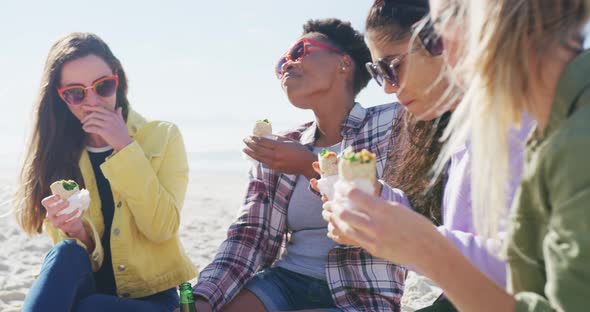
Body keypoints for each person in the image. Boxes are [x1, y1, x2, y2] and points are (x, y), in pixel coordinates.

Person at [326, 0, 590, 311]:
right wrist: (388, 219)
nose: (442, 53)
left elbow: (514, 273)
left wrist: (423, 247)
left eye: (437, 35)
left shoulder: (567, 137)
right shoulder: (529, 123)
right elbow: (526, 270)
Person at [192, 18, 408, 312]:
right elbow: (249, 235)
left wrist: (310, 165)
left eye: (298, 52)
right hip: (283, 281)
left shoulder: (391, 124)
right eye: (281, 63)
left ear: (344, 63)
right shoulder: (281, 145)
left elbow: (393, 212)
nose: (286, 66)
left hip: (361, 291)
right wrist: (204, 298)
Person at [16, 32, 196, 312]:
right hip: (85, 291)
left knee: (91, 307)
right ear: (62, 98)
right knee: (66, 253)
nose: (92, 101)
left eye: (102, 87)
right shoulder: (58, 154)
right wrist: (77, 231)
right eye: (76, 93)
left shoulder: (162, 136)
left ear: (117, 79)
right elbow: (76, 263)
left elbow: (161, 229)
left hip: (151, 298)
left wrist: (124, 146)